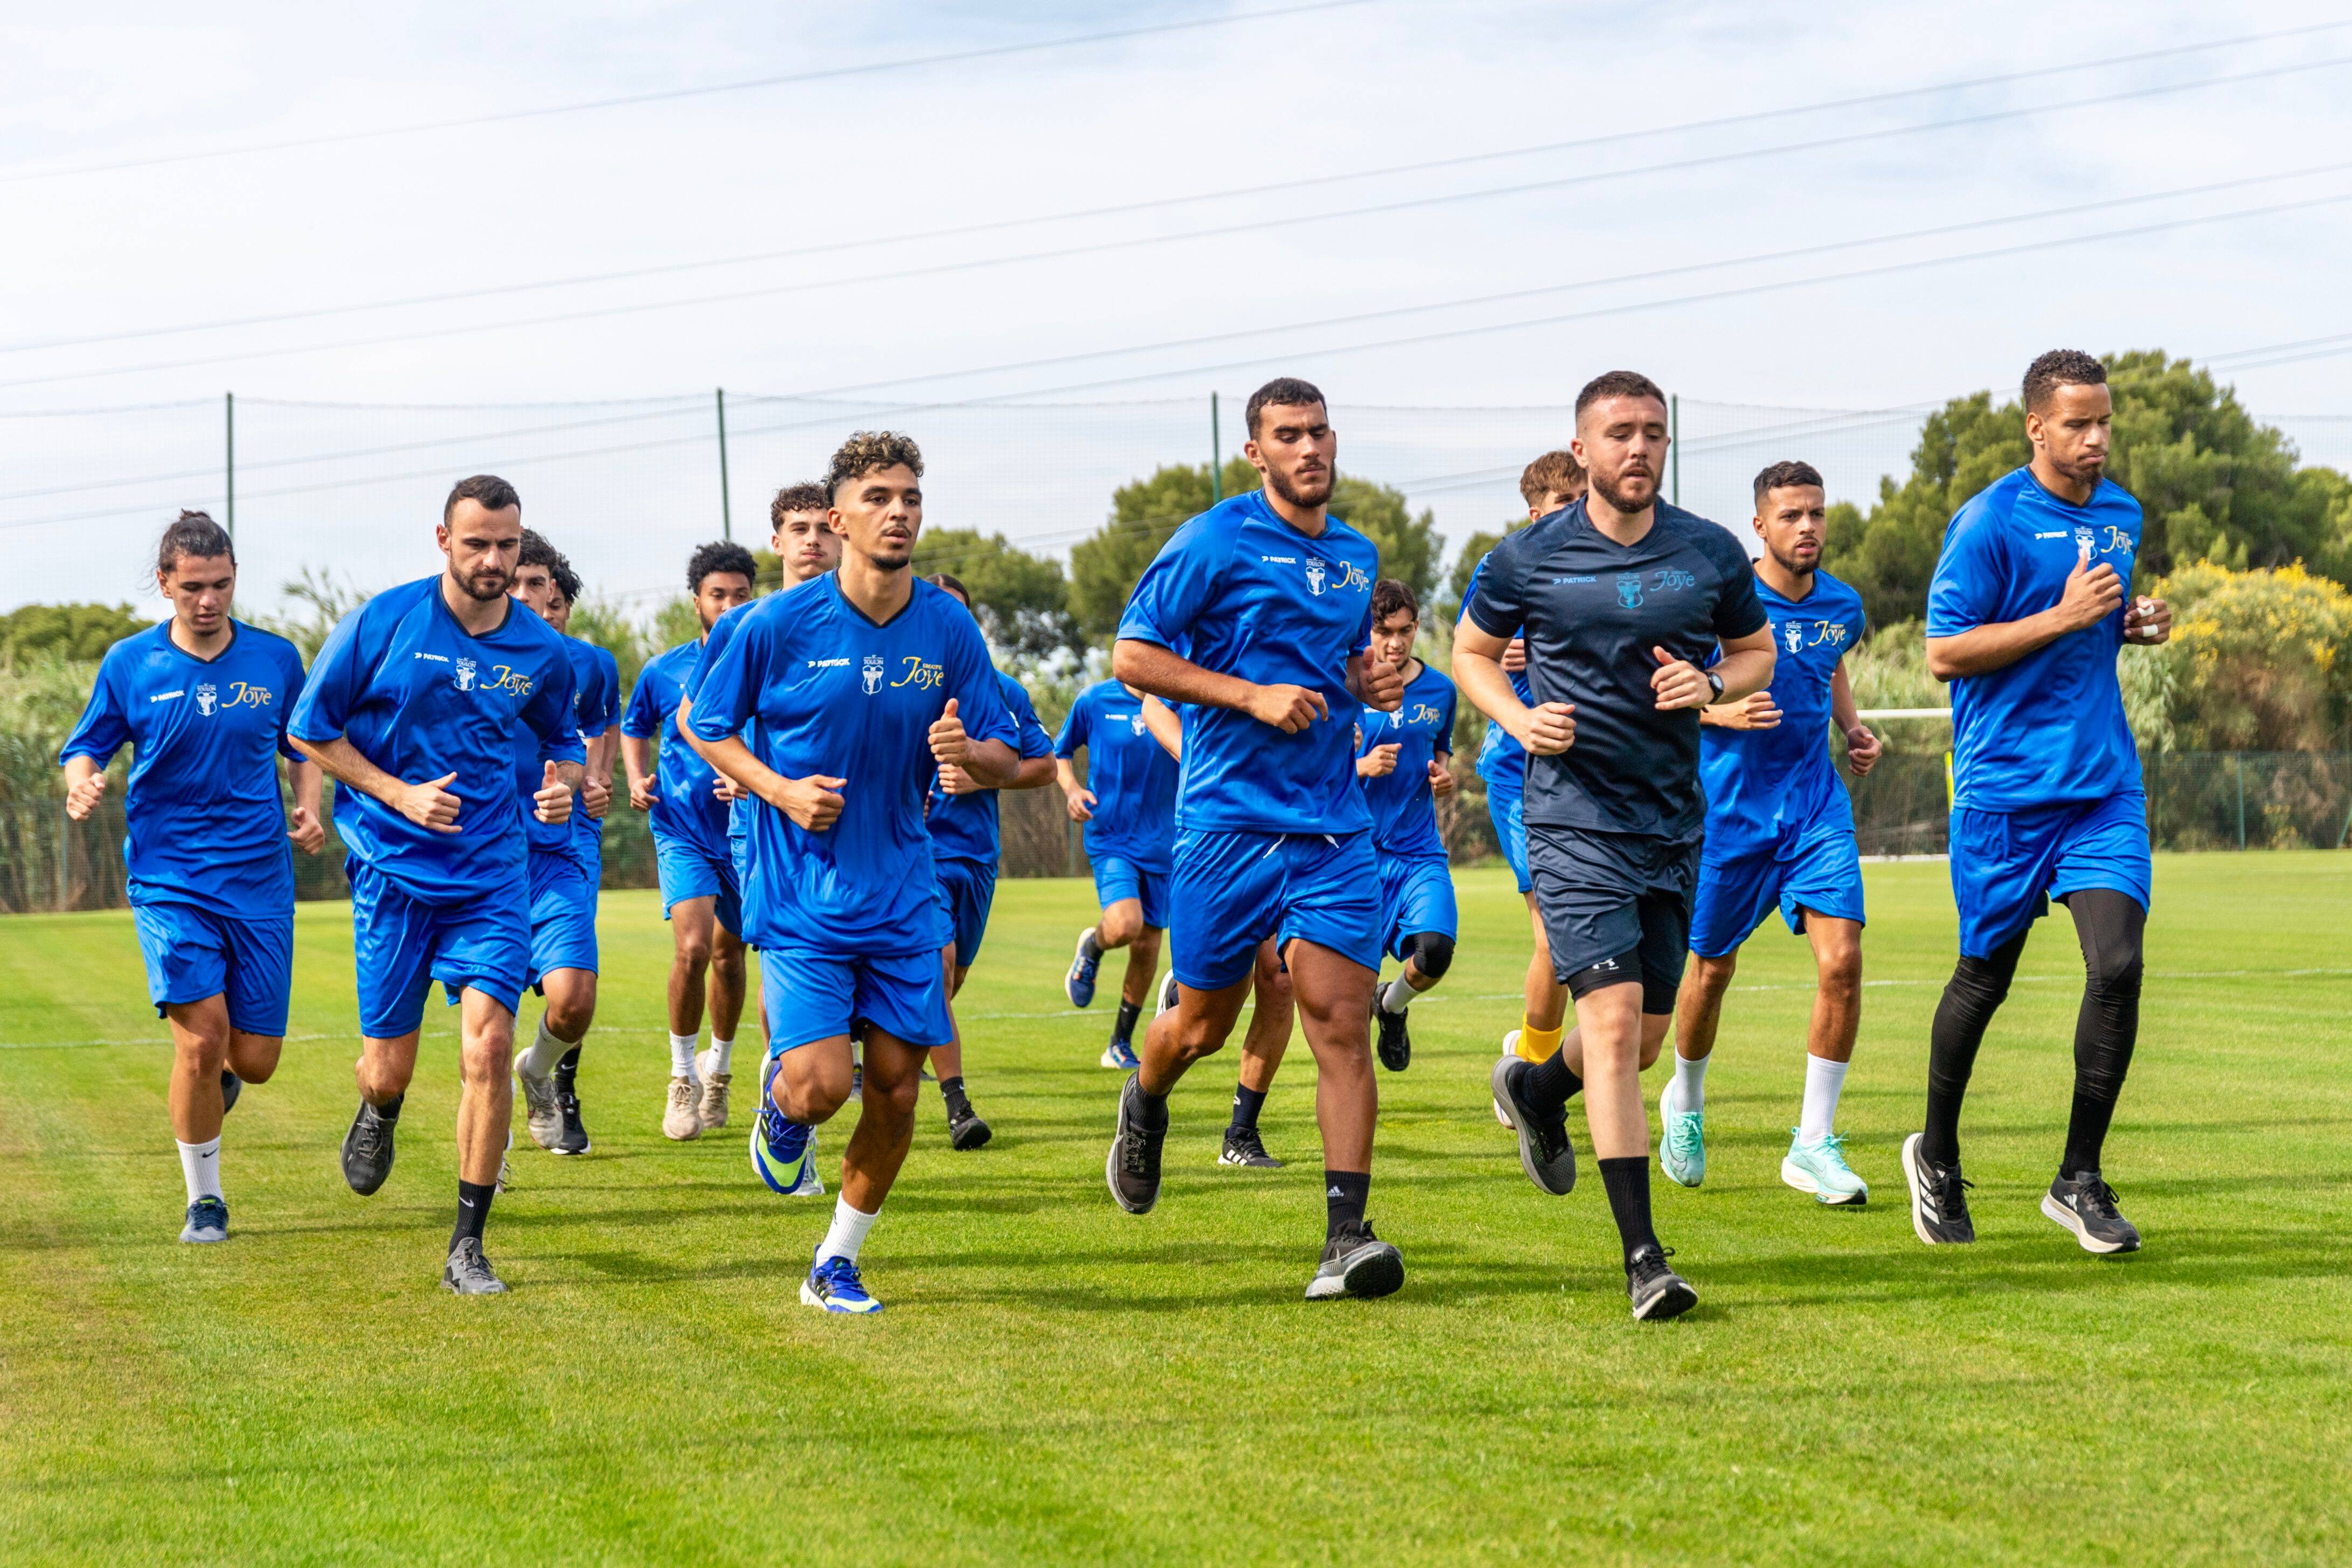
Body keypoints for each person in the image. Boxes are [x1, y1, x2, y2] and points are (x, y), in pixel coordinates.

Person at [1457, 370, 1775, 1321]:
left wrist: (1711, 691)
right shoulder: (1526, 559)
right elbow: (1470, 653)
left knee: (1636, 1046)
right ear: (1584, 449)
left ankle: (1536, 1089)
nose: (1639, 449)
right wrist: (1517, 720)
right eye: (1620, 434)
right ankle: (1646, 1259)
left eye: (1653, 433)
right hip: (1571, 819)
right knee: (1609, 1019)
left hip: (1674, 822)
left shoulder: (1710, 552)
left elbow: (1756, 652)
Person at [685, 432, 1020, 1314]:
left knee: (900, 1089)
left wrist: (967, 753)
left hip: (906, 890)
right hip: (802, 895)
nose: (899, 511)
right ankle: (785, 1105)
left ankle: (834, 1261)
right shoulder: (775, 626)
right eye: (878, 497)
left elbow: (1006, 750)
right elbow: (706, 725)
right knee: (826, 1087)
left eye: (910, 496)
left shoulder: (948, 625)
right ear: (840, 520)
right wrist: (781, 793)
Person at [1105, 376, 1409, 1301]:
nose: (1310, 449)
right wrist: (1247, 698)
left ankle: (1345, 1238)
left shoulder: (1357, 557)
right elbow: (1133, 657)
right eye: (1289, 435)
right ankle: (1145, 1102)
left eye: (1320, 432)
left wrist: (1369, 683)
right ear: (1256, 452)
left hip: (1330, 831)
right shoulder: (1214, 539)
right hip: (1225, 828)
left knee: (1339, 1024)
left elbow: (1339, 667)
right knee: (1200, 1025)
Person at [288, 475, 584, 1295]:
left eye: (508, 544)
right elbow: (310, 730)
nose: (493, 559)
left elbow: (562, 737)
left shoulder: (540, 648)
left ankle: (467, 1245)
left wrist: (560, 782)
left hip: (493, 873)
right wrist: (398, 792)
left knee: (488, 1048)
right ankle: (379, 1108)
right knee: (387, 1069)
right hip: (392, 872)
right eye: (477, 542)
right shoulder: (382, 622)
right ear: (443, 539)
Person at [1904, 350, 2171, 1255]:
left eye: (2104, 423)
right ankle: (1935, 1152)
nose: (2096, 440)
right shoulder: (1988, 522)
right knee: (1985, 978)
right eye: (2077, 424)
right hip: (2006, 793)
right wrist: (2061, 615)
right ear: (2036, 426)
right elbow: (1944, 653)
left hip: (2102, 785)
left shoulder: (2125, 514)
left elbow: (2091, 626)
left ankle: (2078, 1178)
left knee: (2120, 965)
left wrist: (2127, 625)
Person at [60, 511, 323, 1245]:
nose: (209, 601)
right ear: (165, 583)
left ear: (235, 578)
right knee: (200, 1043)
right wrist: (83, 783)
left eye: (222, 585)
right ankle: (204, 1200)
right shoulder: (131, 664)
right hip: (169, 877)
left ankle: (215, 1088)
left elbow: (302, 745)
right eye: (194, 588)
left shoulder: (275, 659)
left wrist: (307, 807)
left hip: (260, 879)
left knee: (255, 1061)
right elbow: (85, 747)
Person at [1666, 461, 1880, 1204]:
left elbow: (1829, 662)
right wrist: (1716, 710)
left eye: (1816, 513)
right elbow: (1660, 686)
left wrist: (1850, 726)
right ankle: (1684, 1102)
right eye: (1790, 516)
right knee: (1710, 971)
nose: (1808, 527)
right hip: (1726, 816)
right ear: (1759, 526)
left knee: (1843, 959)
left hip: (1814, 806)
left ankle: (1813, 1143)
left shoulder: (1843, 604)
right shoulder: (1717, 602)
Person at [670, 483, 848, 1112]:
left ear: (842, 529)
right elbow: (695, 719)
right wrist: (751, 776)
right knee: (781, 974)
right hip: (766, 832)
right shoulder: (748, 624)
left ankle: (791, 1095)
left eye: (822, 527)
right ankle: (786, 1111)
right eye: (797, 529)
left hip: (861, 834)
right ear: (776, 542)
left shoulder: (876, 620)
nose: (812, 540)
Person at [623, 541, 759, 1140]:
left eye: (740, 596)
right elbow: (635, 727)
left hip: (748, 835)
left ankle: (720, 1073)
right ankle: (682, 1077)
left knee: (732, 957)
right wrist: (636, 778)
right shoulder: (664, 670)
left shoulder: (768, 664)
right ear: (697, 601)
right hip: (682, 830)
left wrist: (752, 779)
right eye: (718, 595)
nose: (729, 607)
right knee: (694, 948)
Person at [923, 571, 1059, 1149]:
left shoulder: (1003, 689)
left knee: (948, 981)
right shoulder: (904, 683)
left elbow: (1045, 767)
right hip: (915, 851)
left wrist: (980, 780)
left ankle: (885, 1038)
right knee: (938, 962)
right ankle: (958, 1105)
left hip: (976, 858)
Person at [1462, 452, 1585, 1088]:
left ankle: (1535, 1062)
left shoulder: (1613, 566)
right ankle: (1534, 1073)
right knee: (1556, 935)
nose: (1580, 512)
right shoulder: (1502, 568)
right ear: (1535, 514)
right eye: (1565, 503)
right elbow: (1469, 654)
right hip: (1521, 773)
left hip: (1595, 774)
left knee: (1587, 944)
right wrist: (1510, 653)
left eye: (1584, 498)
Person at [1136, 692, 1298, 1170]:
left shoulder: (1320, 627)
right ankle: (1147, 1092)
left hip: (1294, 826)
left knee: (1281, 979)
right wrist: (1198, 755)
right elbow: (1152, 701)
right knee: (1205, 1031)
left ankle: (1241, 1134)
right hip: (1220, 834)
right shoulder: (1211, 623)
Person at [507, 531, 616, 1160]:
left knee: (571, 998)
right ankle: (485, 1151)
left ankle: (545, 1073)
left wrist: (590, 784)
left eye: (539, 586)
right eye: (516, 583)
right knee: (486, 1025)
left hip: (561, 847)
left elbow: (593, 737)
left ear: (557, 595)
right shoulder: (454, 657)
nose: (528, 599)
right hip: (480, 859)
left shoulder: (588, 664)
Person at [1356, 579, 1460, 1072]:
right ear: (1366, 630)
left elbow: (1441, 754)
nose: (1394, 642)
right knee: (1337, 1001)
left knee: (1435, 952)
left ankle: (1391, 1005)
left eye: (1404, 630)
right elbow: (1310, 771)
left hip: (1418, 852)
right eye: (1382, 631)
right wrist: (1360, 766)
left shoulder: (1440, 690)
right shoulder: (1343, 685)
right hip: (1351, 857)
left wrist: (1444, 777)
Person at [1056, 675, 1180, 1071]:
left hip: (1165, 842)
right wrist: (1073, 791)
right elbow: (1059, 753)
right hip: (1111, 836)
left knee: (1146, 947)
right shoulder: (1094, 699)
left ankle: (1119, 1044)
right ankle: (1093, 946)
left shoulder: (1180, 699)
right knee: (1126, 924)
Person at [540, 570, 620, 1153]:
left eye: (557, 601)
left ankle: (560, 1089)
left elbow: (604, 725)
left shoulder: (591, 664)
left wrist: (598, 780)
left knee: (573, 983)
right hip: (486, 842)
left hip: (572, 838)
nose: (546, 610)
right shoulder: (471, 656)